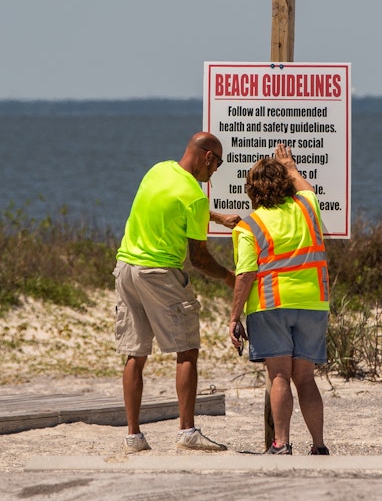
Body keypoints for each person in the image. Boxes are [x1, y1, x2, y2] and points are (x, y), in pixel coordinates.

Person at [115, 132, 241, 454]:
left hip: (126, 268)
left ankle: (133, 437)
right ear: (208, 157)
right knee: (187, 350)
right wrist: (230, 278)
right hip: (159, 273)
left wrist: (216, 217)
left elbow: (173, 206)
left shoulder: (158, 170)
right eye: (218, 165)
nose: (215, 173)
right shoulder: (195, 196)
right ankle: (186, 431)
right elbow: (199, 259)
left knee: (136, 354)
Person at [228, 143, 330, 456]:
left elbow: (245, 275)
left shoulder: (250, 225)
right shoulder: (307, 207)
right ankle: (319, 445)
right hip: (313, 303)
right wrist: (291, 167)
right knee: (306, 378)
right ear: (284, 183)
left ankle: (281, 444)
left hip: (271, 306)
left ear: (251, 190)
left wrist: (234, 317)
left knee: (280, 376)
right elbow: (306, 187)